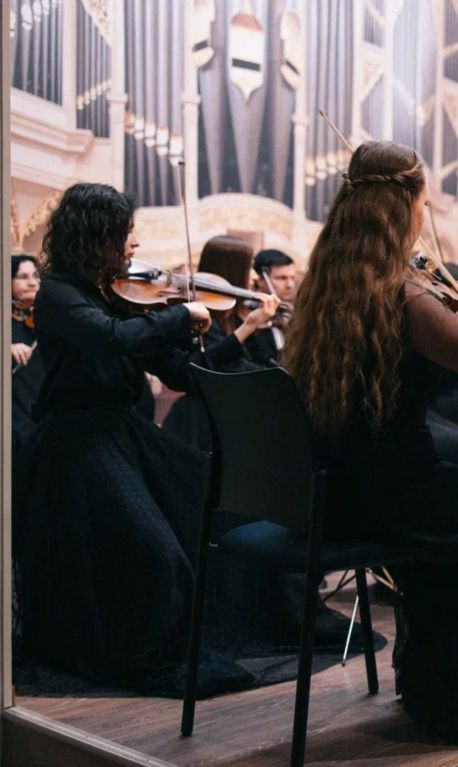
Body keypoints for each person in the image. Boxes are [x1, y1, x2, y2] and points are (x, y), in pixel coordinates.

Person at [281, 140, 458, 743]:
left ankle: (450, 686)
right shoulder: (405, 295)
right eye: (423, 200)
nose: (426, 212)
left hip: (333, 494)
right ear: (407, 205)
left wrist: (453, 315)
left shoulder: (325, 288)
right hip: (397, 495)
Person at [13, 183, 273, 692]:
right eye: (126, 232)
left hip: (122, 438)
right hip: (76, 447)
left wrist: (231, 338)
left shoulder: (120, 295)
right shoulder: (59, 294)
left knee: (213, 521)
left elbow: (181, 374)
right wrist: (179, 315)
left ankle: (169, 641)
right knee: (158, 555)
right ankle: (136, 654)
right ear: (97, 234)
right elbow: (109, 339)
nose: (135, 243)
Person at [163, 235, 280, 451]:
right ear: (231, 270)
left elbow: (247, 364)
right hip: (200, 425)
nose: (254, 276)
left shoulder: (232, 313)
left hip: (227, 415)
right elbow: (209, 366)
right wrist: (248, 328)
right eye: (248, 267)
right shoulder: (199, 314)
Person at [11, 255, 44, 455]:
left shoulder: (47, 317)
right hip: (14, 413)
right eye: (23, 277)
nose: (32, 282)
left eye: (36, 276)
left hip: (41, 406)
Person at [245, 248, 296, 365]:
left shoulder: (291, 311)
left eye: (292, 278)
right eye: (282, 278)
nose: (290, 285)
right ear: (260, 280)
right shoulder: (247, 312)